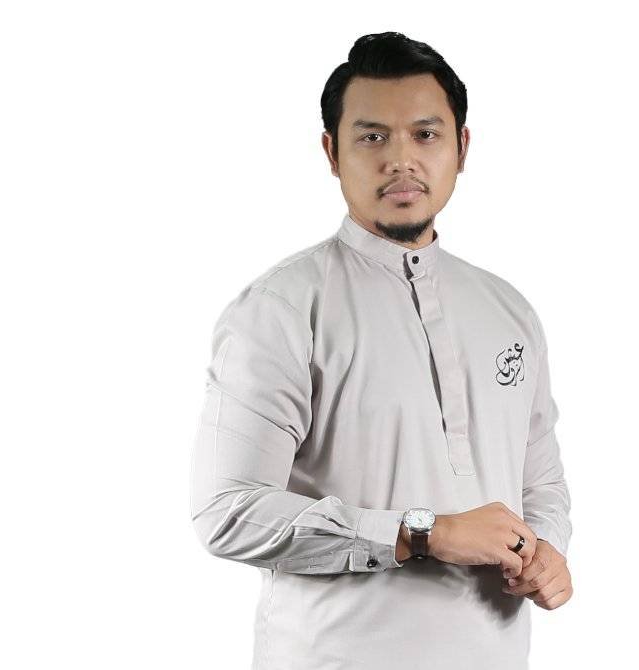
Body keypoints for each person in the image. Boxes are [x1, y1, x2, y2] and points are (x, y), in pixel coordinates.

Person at [189, 31, 573, 669]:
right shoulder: (283, 308)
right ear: (332, 152)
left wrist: (547, 549)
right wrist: (422, 534)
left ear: (462, 147)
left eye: (425, 135)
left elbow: (542, 481)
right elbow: (227, 510)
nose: (401, 160)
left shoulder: (508, 310)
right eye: (372, 137)